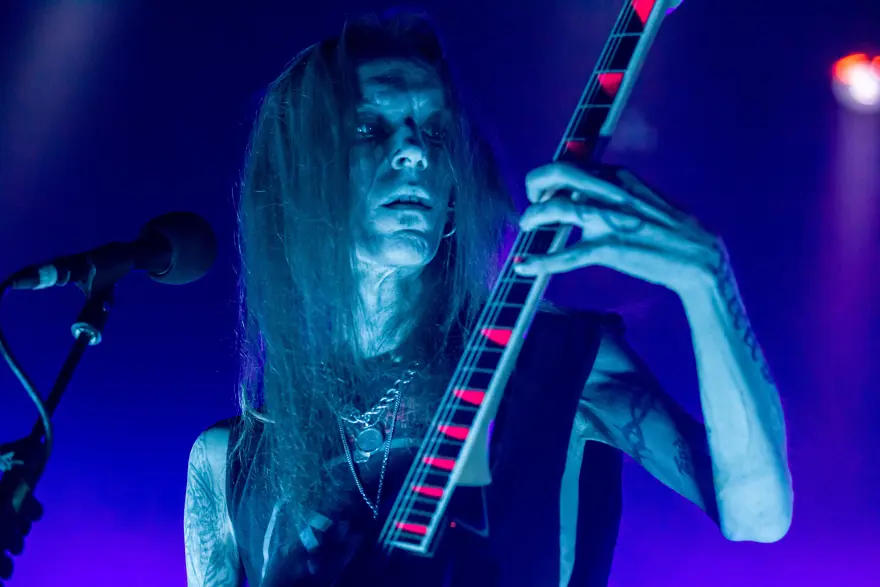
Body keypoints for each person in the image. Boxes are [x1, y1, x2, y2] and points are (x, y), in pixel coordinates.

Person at [183, 11, 793, 587]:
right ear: (298, 177)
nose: (416, 151)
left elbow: (757, 516)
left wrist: (708, 284)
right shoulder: (229, 462)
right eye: (370, 128)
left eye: (435, 131)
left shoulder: (545, 361)